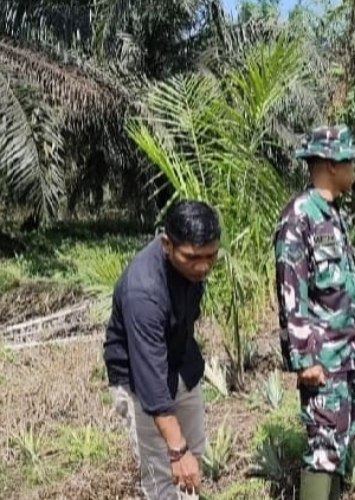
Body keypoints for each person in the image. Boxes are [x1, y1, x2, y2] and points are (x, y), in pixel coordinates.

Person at [273, 125, 355, 500]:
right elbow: (291, 293)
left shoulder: (332, 215)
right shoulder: (299, 217)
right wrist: (304, 359)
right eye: (351, 161)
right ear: (332, 164)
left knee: (340, 445)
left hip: (347, 358)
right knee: (323, 451)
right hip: (323, 360)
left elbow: (347, 285)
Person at [103, 200, 221, 500]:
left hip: (181, 365)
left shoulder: (192, 268)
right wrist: (176, 449)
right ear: (166, 244)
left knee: (192, 465)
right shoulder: (143, 292)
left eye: (211, 256)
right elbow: (151, 382)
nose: (203, 266)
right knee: (163, 477)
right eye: (193, 257)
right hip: (140, 383)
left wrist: (184, 452)